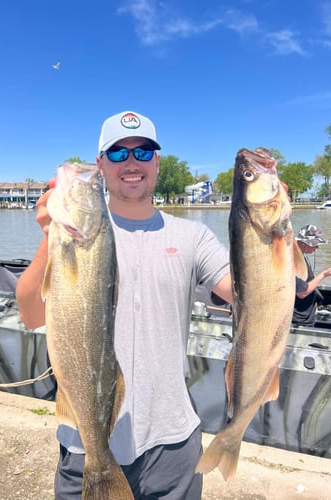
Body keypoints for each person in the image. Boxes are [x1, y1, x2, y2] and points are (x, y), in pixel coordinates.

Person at [16, 110, 232, 499]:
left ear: (157, 162)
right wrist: (51, 236)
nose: (131, 163)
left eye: (143, 152)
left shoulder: (193, 236)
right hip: (86, 443)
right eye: (117, 154)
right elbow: (31, 314)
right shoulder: (68, 238)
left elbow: (242, 292)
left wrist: (275, 251)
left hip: (173, 445)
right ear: (100, 166)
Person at [292, 224, 331, 327]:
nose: (317, 247)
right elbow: (302, 292)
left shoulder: (301, 257)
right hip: (299, 320)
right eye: (315, 244)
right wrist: (323, 275)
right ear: (304, 244)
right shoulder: (293, 261)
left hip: (307, 315)